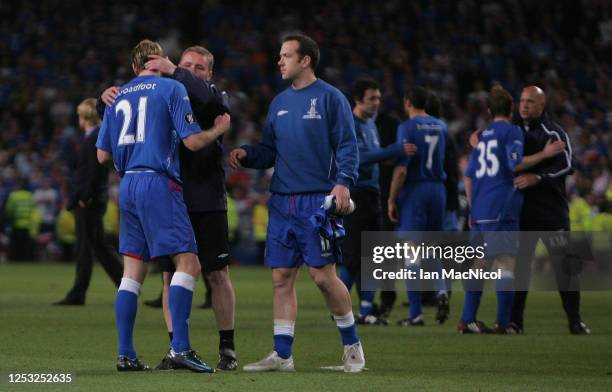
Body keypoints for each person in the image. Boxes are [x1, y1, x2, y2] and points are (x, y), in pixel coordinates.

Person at [229, 34, 365, 373]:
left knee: (322, 277)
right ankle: (282, 356)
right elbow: (270, 151)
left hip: (316, 202)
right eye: (280, 55)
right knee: (281, 277)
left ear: (305, 60)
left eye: (286, 55)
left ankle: (353, 350)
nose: (280, 61)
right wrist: (248, 154)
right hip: (282, 201)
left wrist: (343, 182)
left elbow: (348, 145)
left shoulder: (332, 98)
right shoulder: (278, 103)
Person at [96, 39, 231, 372]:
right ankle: (181, 349)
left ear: (135, 67)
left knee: (132, 274)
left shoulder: (119, 95)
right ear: (162, 62)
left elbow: (101, 155)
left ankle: (126, 355)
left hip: (127, 186)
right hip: (159, 183)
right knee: (189, 264)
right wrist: (217, 129)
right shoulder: (171, 90)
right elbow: (192, 141)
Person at [510, 86, 590, 335]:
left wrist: (539, 178)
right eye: (522, 101)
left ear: (542, 106)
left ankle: (574, 321)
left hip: (551, 212)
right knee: (520, 268)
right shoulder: (511, 131)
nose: (524, 106)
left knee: (564, 267)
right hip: (523, 212)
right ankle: (515, 322)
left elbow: (567, 165)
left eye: (530, 102)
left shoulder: (554, 132)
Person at [339, 77, 413, 325]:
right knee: (353, 257)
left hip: (372, 194)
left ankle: (367, 310)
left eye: (379, 98)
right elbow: (360, 158)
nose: (377, 102)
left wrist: (393, 157)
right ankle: (339, 308)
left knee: (371, 256)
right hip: (355, 193)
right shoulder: (348, 123)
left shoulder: (370, 124)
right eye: (372, 98)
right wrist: (397, 150)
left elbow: (376, 156)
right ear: (358, 100)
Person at [460, 86, 524, 334]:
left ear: (489, 110)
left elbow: (468, 176)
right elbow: (515, 162)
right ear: (512, 109)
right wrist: (544, 153)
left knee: (480, 262)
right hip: (501, 206)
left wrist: (473, 207)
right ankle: (502, 322)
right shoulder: (512, 131)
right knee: (505, 262)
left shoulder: (482, 137)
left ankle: (469, 319)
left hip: (480, 209)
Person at [387, 86, 450, 326]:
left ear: (408, 102)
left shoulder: (407, 127)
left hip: (416, 189)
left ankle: (415, 314)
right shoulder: (442, 126)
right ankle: (442, 292)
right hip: (438, 189)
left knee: (411, 253)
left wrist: (392, 198)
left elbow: (402, 169)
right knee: (432, 249)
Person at [54, 98, 123, 305]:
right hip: (92, 198)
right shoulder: (95, 136)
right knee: (98, 245)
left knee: (85, 247)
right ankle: (126, 283)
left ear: (84, 116)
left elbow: (92, 172)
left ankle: (79, 292)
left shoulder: (94, 137)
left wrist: (84, 197)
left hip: (90, 200)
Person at [4, 178, 34, 261]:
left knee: (16, 245)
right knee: (26, 245)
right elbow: (32, 209)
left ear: (18, 186)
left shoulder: (13, 196)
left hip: (17, 223)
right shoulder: (30, 195)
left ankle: (16, 260)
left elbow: (9, 211)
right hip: (27, 224)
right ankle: (25, 260)